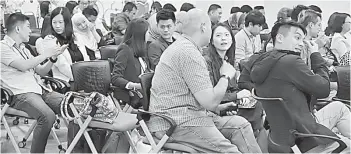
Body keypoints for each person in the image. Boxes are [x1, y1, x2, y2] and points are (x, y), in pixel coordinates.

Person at [147, 9, 259, 153]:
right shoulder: (188, 52)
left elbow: (204, 100)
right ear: (203, 27)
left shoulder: (186, 47)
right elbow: (210, 102)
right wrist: (225, 76)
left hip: (189, 116)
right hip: (177, 122)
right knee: (231, 151)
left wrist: (219, 107)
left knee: (240, 125)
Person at [242, 21, 350, 153]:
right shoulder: (291, 62)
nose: (300, 43)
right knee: (348, 145)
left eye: (302, 40)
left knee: (338, 107)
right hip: (304, 133)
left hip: (281, 133)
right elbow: (323, 89)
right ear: (280, 38)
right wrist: (315, 55)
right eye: (297, 38)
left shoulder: (262, 60)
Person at [1, 12, 66, 153]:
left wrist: (53, 58)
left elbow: (41, 71)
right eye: (28, 26)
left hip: (40, 90)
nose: (31, 30)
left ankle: (76, 149)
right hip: (19, 94)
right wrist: (46, 53)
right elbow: (24, 65)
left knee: (72, 106)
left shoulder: (24, 48)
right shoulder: (2, 47)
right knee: (47, 116)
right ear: (18, 29)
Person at [203, 23, 267, 152]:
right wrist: (236, 96)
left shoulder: (227, 60)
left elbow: (232, 88)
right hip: (214, 107)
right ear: (211, 40)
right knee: (253, 115)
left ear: (232, 39)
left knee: (256, 104)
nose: (223, 39)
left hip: (229, 102)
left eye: (227, 35)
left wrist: (242, 96)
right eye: (218, 35)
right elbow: (209, 95)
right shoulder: (206, 61)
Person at [36, 7, 89, 83]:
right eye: (54, 22)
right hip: (66, 82)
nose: (57, 26)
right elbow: (63, 66)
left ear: (67, 22)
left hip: (84, 78)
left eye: (60, 22)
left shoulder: (77, 37)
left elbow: (86, 58)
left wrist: (89, 74)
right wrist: (81, 79)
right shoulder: (50, 40)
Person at [111, 18, 149, 107]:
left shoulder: (142, 49)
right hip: (132, 94)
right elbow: (115, 78)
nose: (150, 35)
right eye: (148, 32)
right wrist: (135, 86)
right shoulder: (125, 50)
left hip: (143, 92)